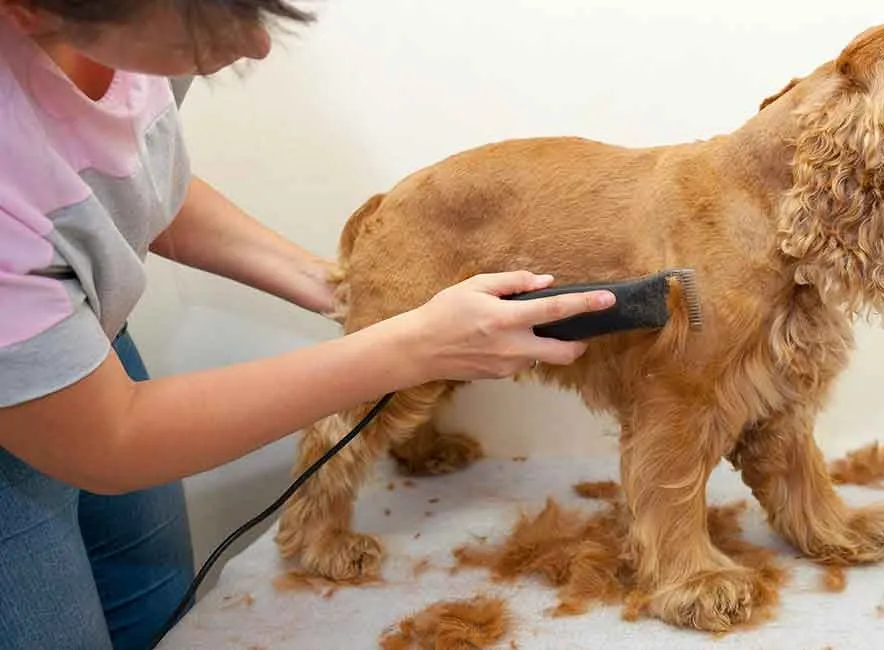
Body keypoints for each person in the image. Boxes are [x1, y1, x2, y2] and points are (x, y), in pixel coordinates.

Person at [0, 2, 616, 649]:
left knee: (158, 613)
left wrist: (338, 288)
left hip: (82, 341)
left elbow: (119, 182)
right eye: (209, 21)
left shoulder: (113, 35)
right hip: (44, 410)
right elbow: (112, 441)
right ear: (31, 10)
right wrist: (412, 347)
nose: (258, 45)